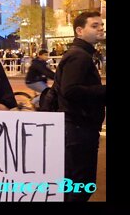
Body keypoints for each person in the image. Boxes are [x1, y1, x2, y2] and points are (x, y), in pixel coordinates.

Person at [55, 11, 106, 202]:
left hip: (77, 129)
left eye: (101, 25)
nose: (101, 28)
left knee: (77, 185)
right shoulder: (79, 56)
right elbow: (71, 90)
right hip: (78, 130)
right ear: (80, 30)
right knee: (80, 186)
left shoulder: (80, 54)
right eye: (94, 25)